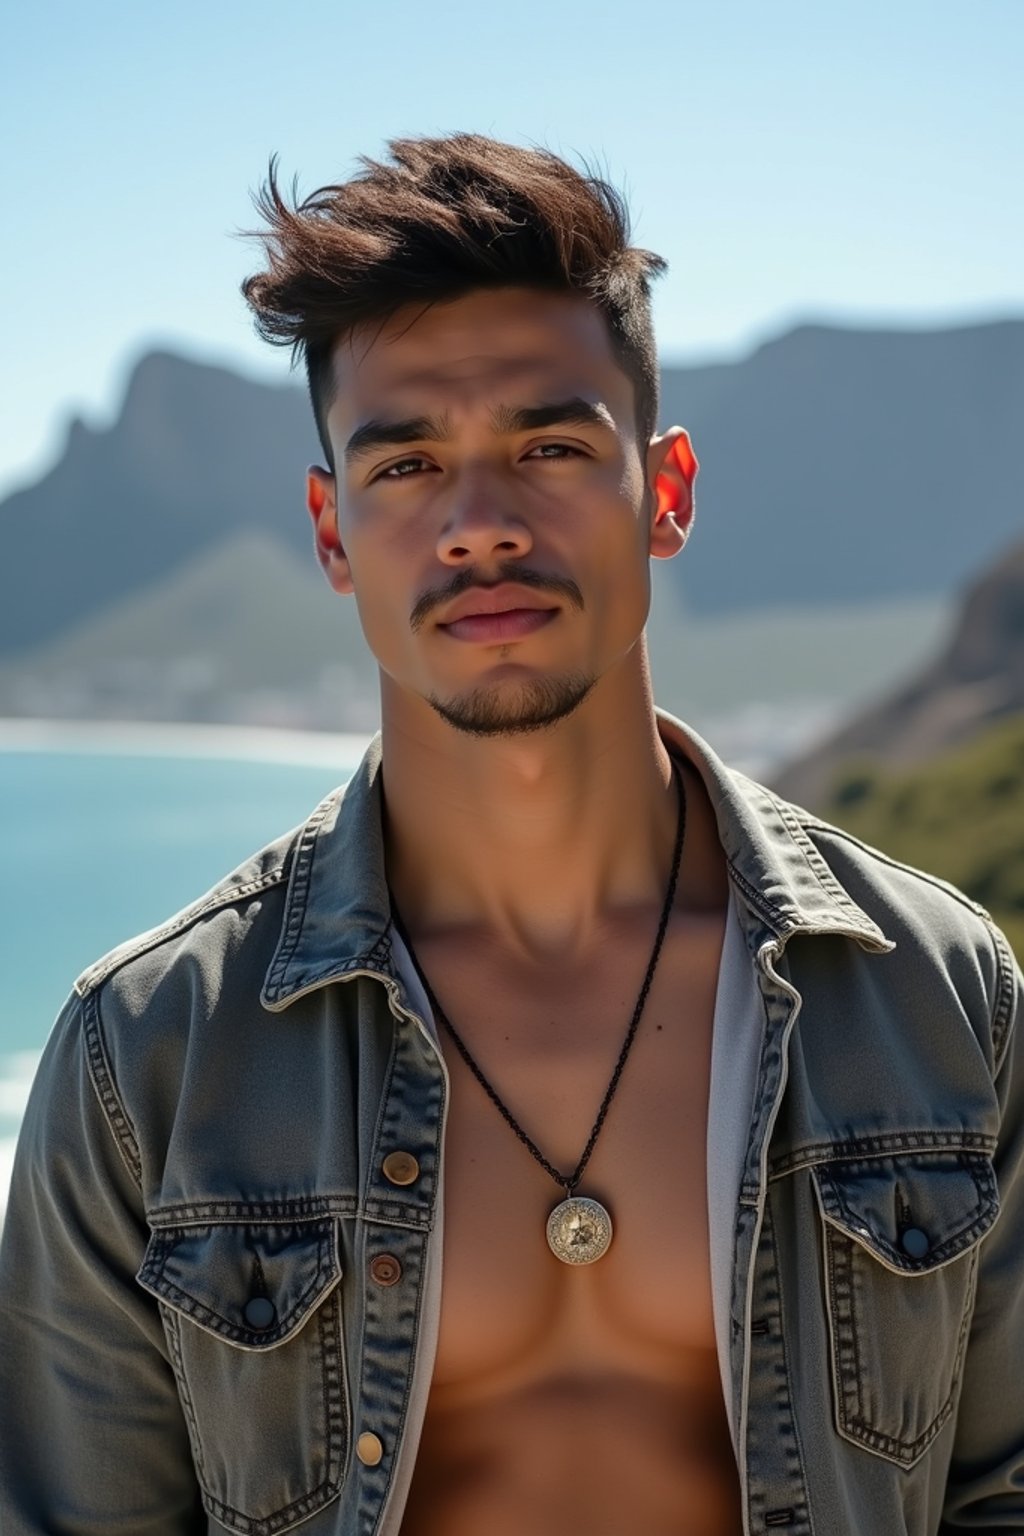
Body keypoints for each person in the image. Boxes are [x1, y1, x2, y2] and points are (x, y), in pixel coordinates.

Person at [1, 133, 1022, 1536]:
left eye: (548, 447)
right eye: (408, 464)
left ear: (664, 493)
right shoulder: (150, 1058)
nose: (479, 526)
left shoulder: (933, 995)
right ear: (332, 531)